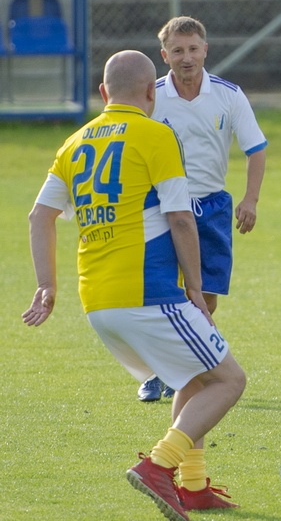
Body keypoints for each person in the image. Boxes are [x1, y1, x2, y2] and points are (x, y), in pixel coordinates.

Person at [22, 50, 247, 520]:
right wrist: (196, 290)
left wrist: (47, 285)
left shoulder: (74, 142)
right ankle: (158, 466)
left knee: (192, 376)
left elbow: (39, 215)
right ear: (151, 91)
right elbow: (181, 219)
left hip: (97, 301)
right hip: (148, 292)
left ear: (103, 93)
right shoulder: (154, 134)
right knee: (228, 380)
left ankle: (193, 484)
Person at [136, 15, 267, 403]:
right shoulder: (152, 97)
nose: (187, 57)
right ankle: (156, 374)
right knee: (162, 291)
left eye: (193, 49)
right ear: (164, 55)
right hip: (161, 205)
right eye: (177, 50)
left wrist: (250, 199)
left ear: (205, 50)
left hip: (211, 206)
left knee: (205, 297)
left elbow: (256, 149)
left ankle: (181, 364)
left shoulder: (228, 95)